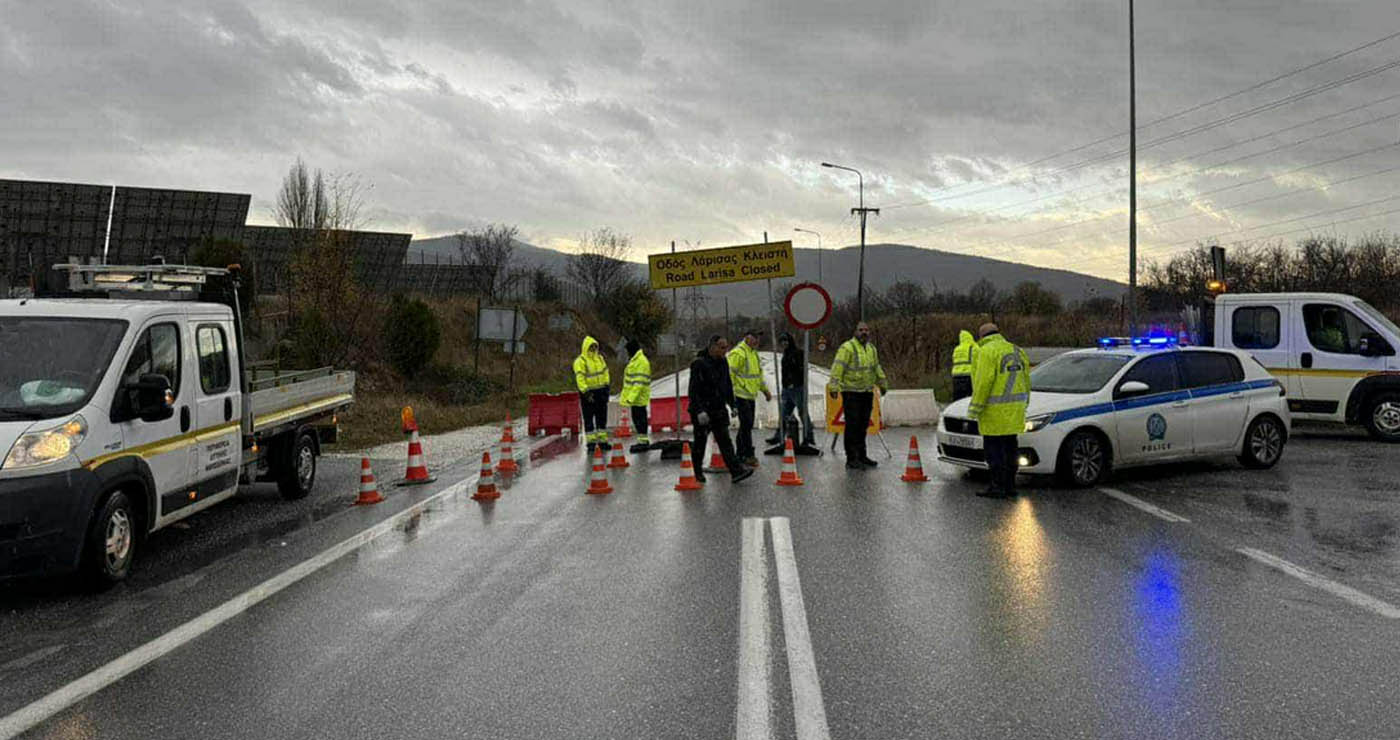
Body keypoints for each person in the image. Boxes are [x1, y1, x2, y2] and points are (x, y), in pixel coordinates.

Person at [968, 322, 1031, 498]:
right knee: (1011, 449)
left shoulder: (986, 351)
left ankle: (997, 486)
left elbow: (983, 382)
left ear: (981, 336)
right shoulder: (1017, 350)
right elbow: (1026, 380)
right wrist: (1025, 403)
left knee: (994, 452)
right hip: (1015, 410)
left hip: (994, 412)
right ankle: (1010, 486)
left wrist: (974, 409)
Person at [689, 335, 754, 484]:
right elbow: (693, 390)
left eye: (726, 347)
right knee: (700, 443)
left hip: (718, 409)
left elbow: (726, 385)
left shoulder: (723, 362)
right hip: (703, 411)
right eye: (722, 347)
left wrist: (732, 404)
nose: (726, 351)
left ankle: (736, 471)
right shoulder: (699, 364)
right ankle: (696, 472)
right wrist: (699, 410)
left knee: (725, 442)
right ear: (713, 347)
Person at [831, 321, 888, 470]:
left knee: (863, 425)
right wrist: (834, 387)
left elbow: (876, 367)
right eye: (861, 330)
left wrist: (883, 384)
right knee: (852, 425)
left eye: (866, 330)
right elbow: (838, 367)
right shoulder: (847, 348)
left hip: (867, 392)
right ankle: (851, 458)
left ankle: (862, 455)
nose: (864, 332)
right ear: (855, 332)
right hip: (851, 392)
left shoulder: (871, 349)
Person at [727, 330, 772, 466]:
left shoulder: (753, 354)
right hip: (740, 394)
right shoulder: (738, 353)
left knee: (747, 425)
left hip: (750, 395)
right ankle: (747, 454)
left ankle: (740, 453)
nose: (757, 341)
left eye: (758, 338)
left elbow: (758, 376)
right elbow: (729, 376)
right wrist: (731, 396)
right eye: (754, 338)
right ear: (747, 337)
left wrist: (765, 391)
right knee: (746, 425)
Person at [766, 332, 814, 446]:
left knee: (803, 413)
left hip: (798, 389)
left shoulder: (798, 353)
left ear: (790, 341)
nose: (784, 344)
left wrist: (795, 382)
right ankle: (779, 436)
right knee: (783, 414)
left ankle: (809, 437)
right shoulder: (785, 354)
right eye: (782, 342)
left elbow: (803, 371)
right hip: (786, 390)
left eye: (785, 341)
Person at [572, 335, 611, 452]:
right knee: (589, 418)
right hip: (588, 393)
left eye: (595, 346)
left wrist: (607, 387)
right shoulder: (580, 361)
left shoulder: (600, 358)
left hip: (601, 391)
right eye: (591, 347)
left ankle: (603, 442)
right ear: (586, 347)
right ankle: (591, 444)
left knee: (602, 418)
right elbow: (580, 378)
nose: (593, 348)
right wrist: (586, 392)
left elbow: (605, 373)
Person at [619, 338, 651, 451]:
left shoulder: (641, 362)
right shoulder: (636, 360)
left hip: (639, 397)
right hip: (636, 397)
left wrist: (630, 398)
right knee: (637, 418)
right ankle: (642, 440)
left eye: (628, 351)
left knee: (640, 418)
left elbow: (638, 382)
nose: (627, 353)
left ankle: (643, 441)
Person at [951, 329, 977, 401]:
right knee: (970, 400)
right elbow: (979, 361)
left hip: (956, 377)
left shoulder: (957, 349)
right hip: (969, 376)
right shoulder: (974, 348)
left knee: (958, 400)